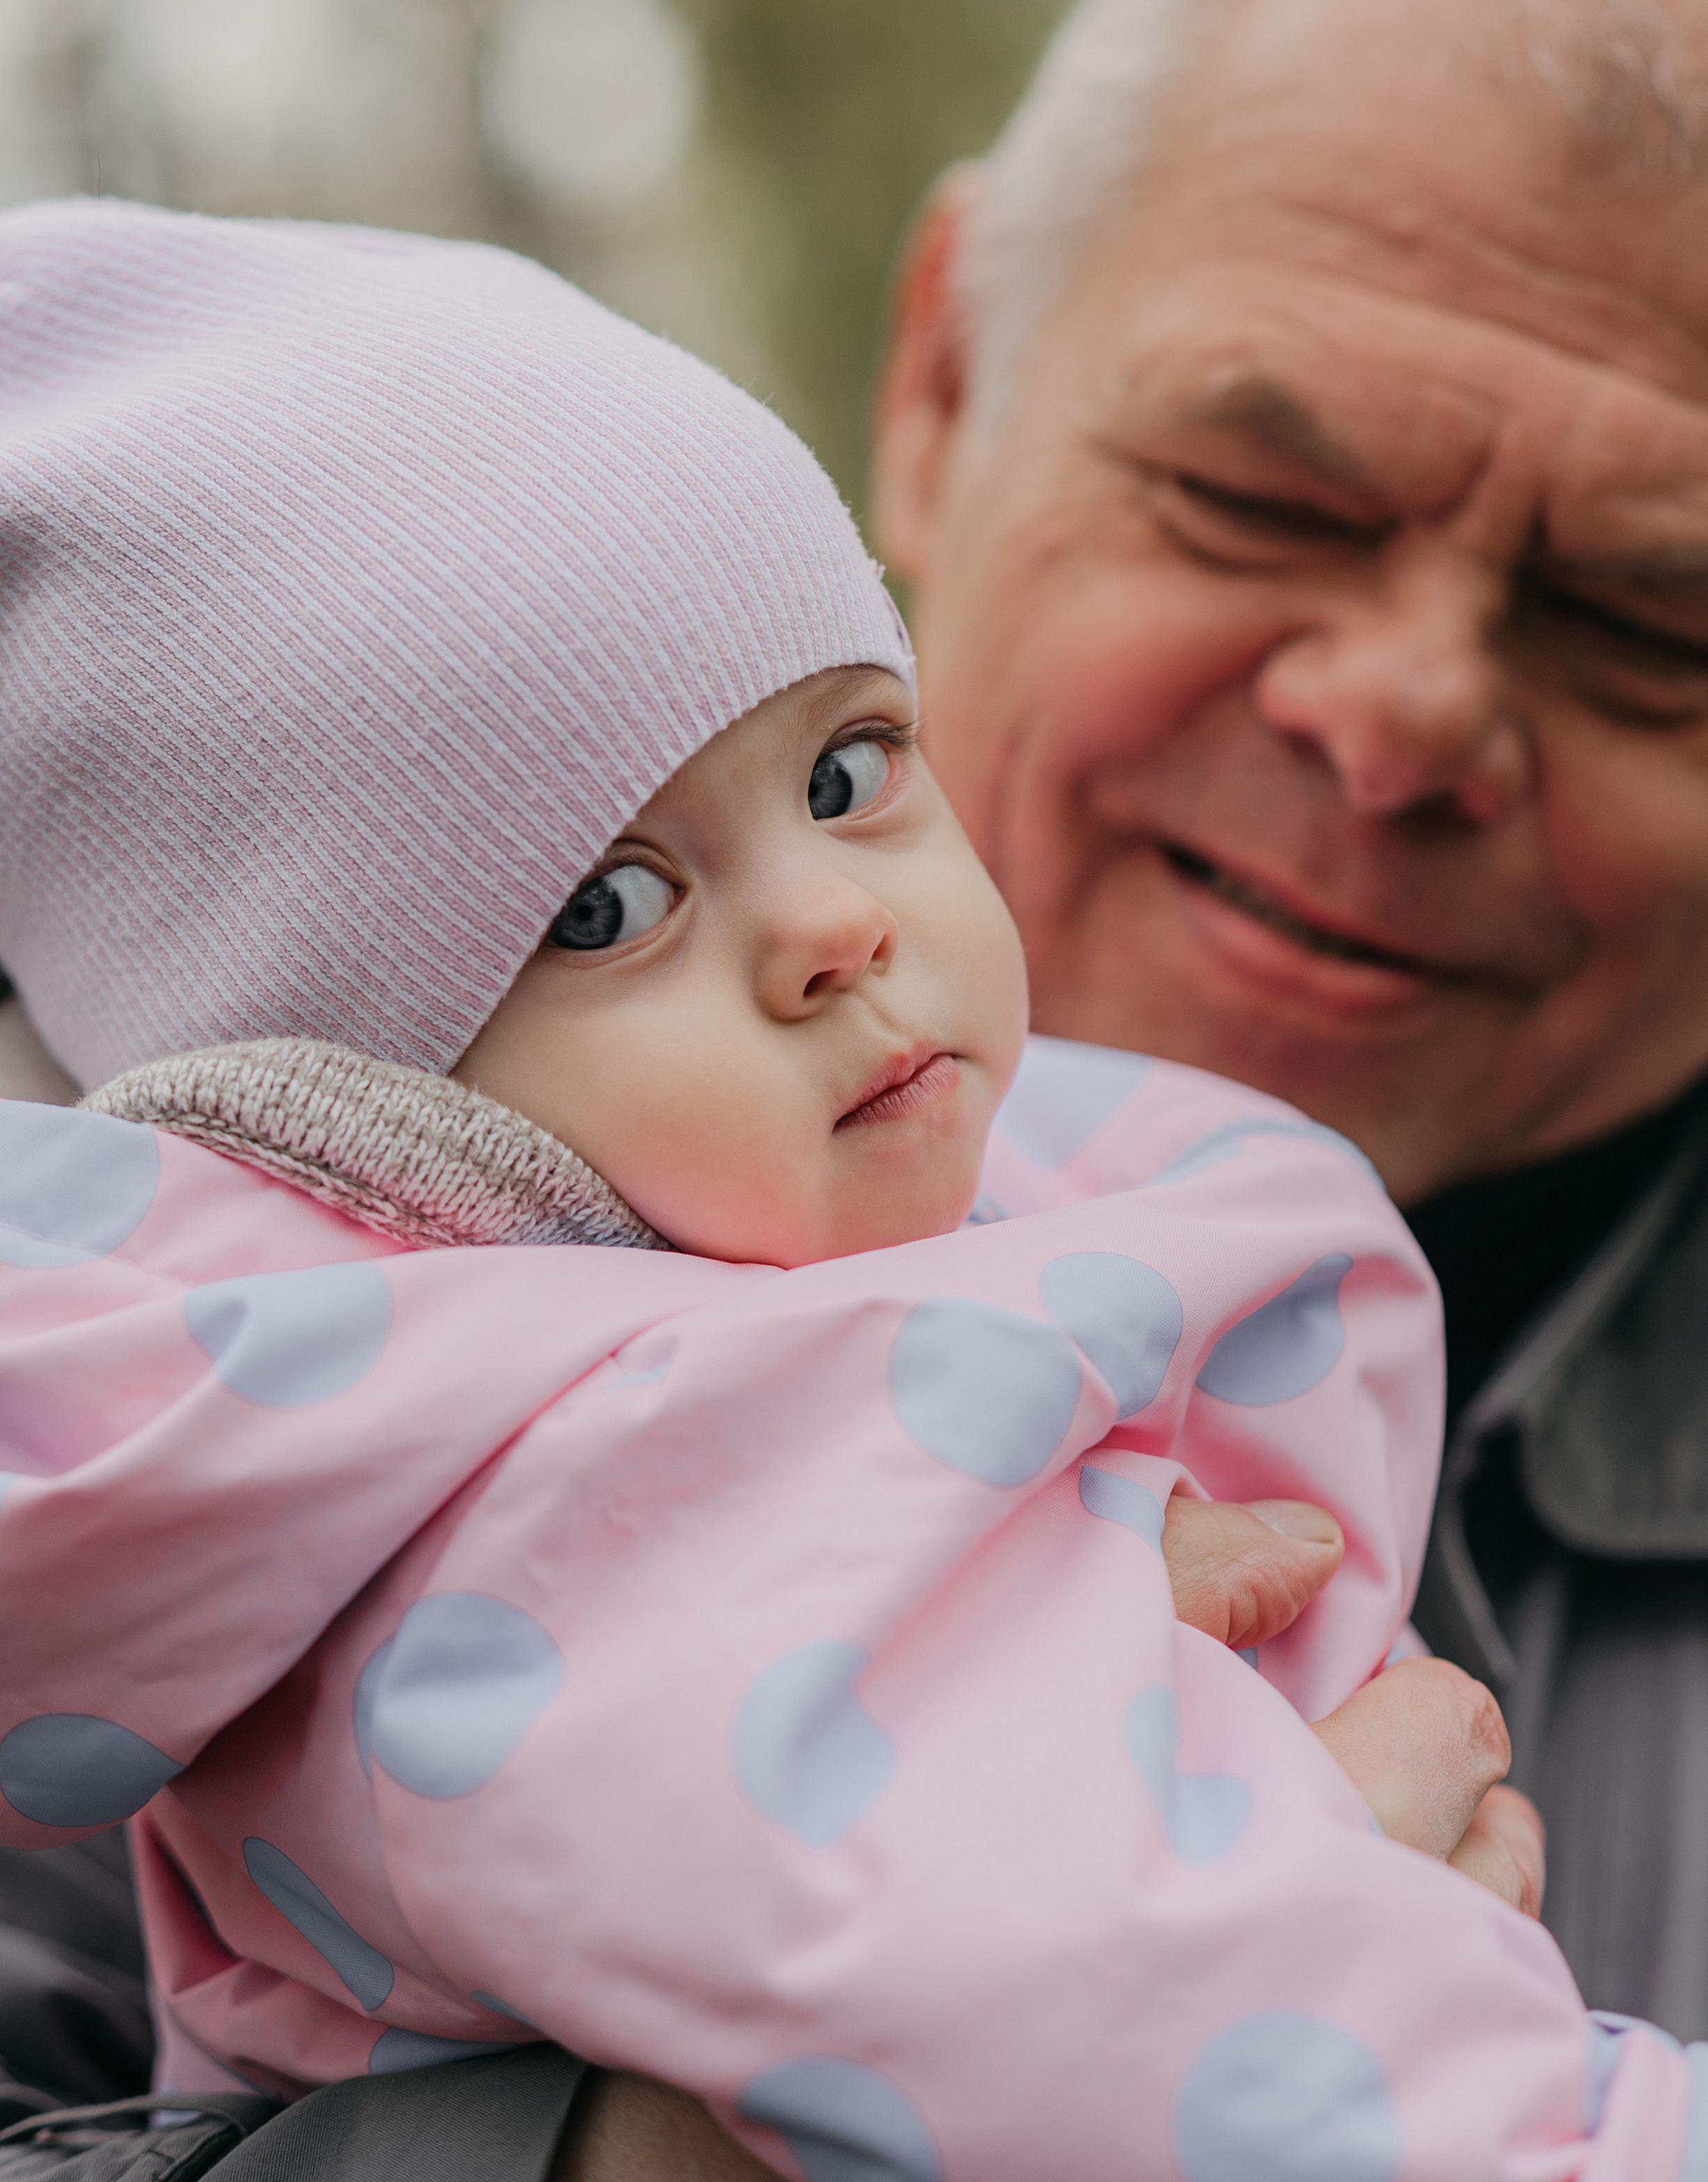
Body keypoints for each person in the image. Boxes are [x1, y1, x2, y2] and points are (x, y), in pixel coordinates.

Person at [0, 200, 1542, 2178]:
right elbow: (1041, 2006)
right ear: (357, 1131)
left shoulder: (995, 1212)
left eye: (848, 772)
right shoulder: (521, 1507)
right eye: (606, 909)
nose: (833, 923)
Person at [871, 0, 1708, 2056]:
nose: (1411, 710)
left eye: (1650, 621)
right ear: (943, 385)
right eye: (1261, 493)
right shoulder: (276, 1206)